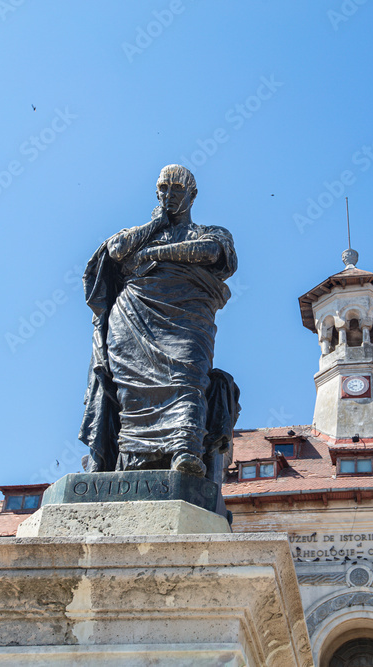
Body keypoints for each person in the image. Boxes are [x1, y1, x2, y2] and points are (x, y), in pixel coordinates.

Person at [79, 165, 238, 479]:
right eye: (163, 188)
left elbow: (212, 253)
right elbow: (116, 249)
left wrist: (156, 253)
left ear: (192, 195)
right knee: (130, 389)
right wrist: (155, 224)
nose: (169, 195)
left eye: (177, 188)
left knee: (188, 375)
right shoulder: (140, 233)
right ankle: (129, 462)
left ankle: (185, 450)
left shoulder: (209, 232)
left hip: (186, 315)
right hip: (133, 316)